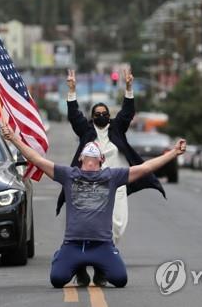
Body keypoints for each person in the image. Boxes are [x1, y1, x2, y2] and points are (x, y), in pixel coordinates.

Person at [0, 119, 186, 288]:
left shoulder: (112, 176)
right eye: (87, 149)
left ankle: (100, 269)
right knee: (57, 280)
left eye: (95, 149)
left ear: (102, 159)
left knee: (120, 280)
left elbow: (145, 168)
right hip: (73, 244)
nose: (91, 148)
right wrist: (14, 138)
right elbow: (37, 159)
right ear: (80, 158)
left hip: (102, 245)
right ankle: (70, 262)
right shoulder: (69, 175)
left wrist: (173, 153)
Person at [59, 69, 166, 285]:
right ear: (92, 117)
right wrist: (71, 90)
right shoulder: (86, 131)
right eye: (97, 113)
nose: (100, 116)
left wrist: (128, 88)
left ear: (109, 115)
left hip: (115, 187)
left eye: (104, 113)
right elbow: (74, 115)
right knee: (85, 227)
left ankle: (101, 264)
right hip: (88, 188)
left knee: (117, 226)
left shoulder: (117, 128)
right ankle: (80, 266)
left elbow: (128, 112)